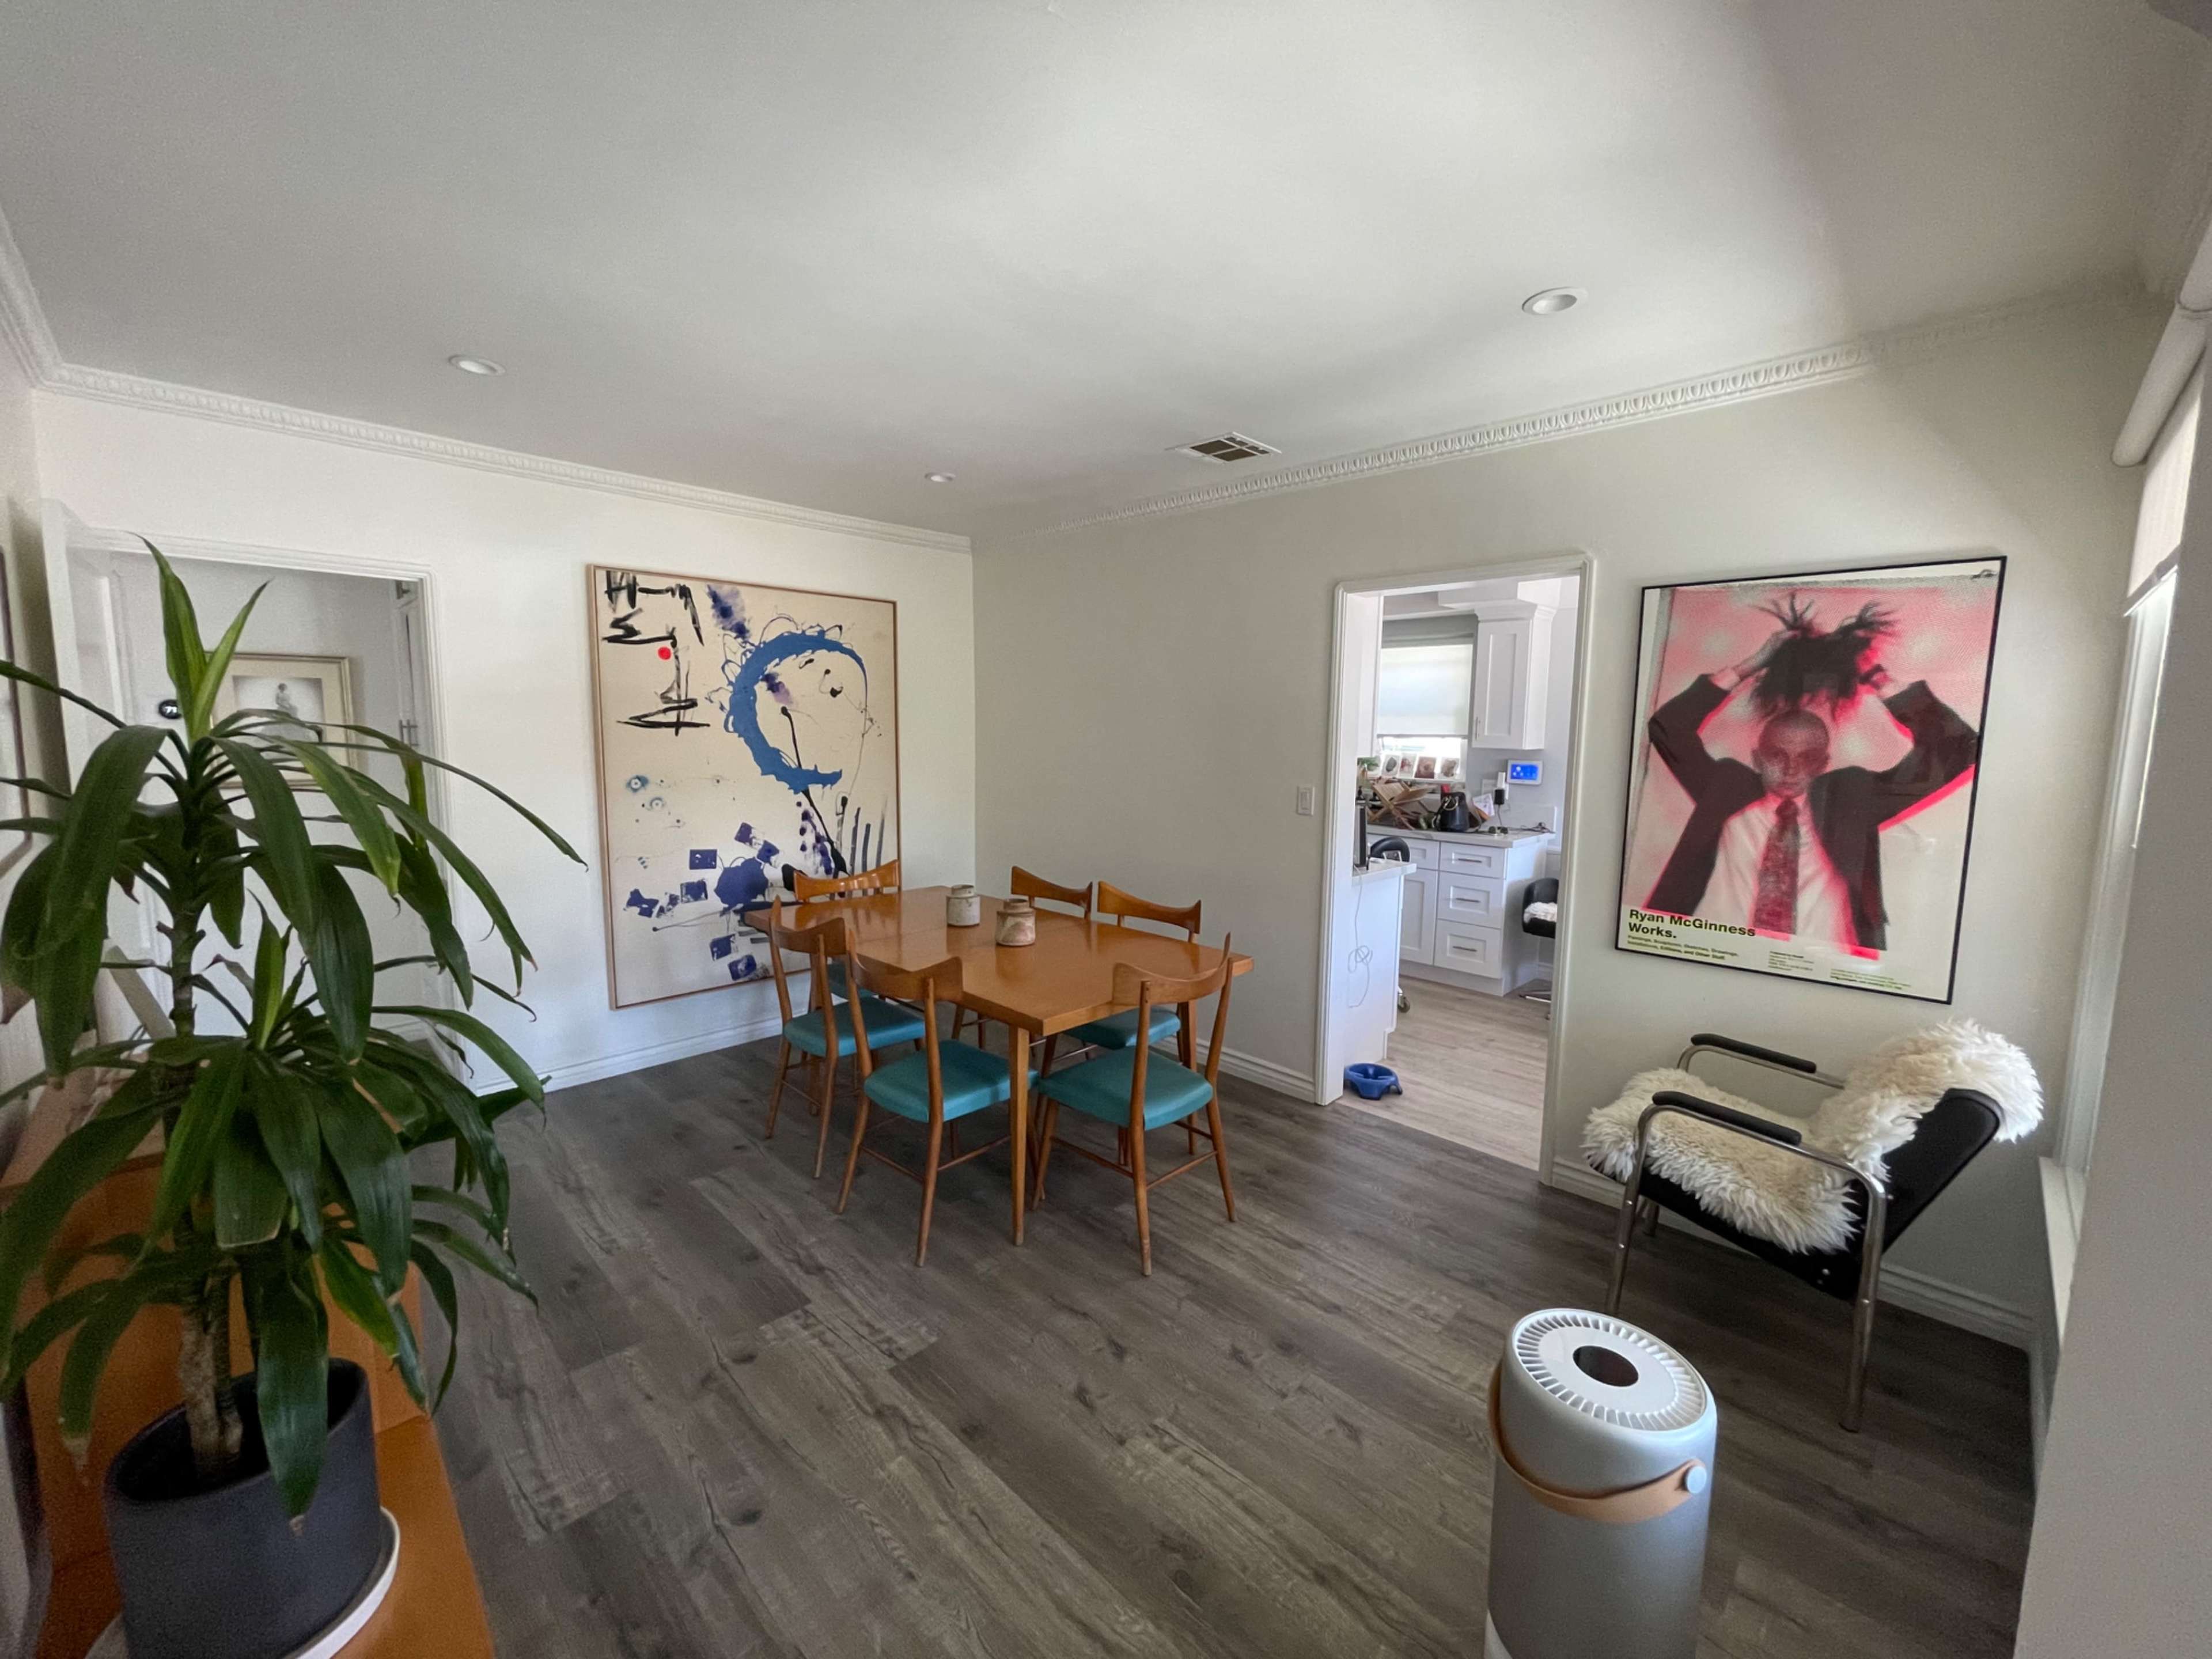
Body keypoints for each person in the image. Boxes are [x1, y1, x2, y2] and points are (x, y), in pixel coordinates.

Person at [1643, 627, 1980, 951]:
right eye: (1777, 756)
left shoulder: (1849, 799)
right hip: (1712, 952)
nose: (1791, 770)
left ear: (1823, 764)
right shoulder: (1726, 788)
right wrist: (1751, 664)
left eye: (1806, 759)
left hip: (1820, 965)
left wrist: (1874, 676)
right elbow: (1669, 728)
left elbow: (1955, 750)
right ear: (1757, 758)